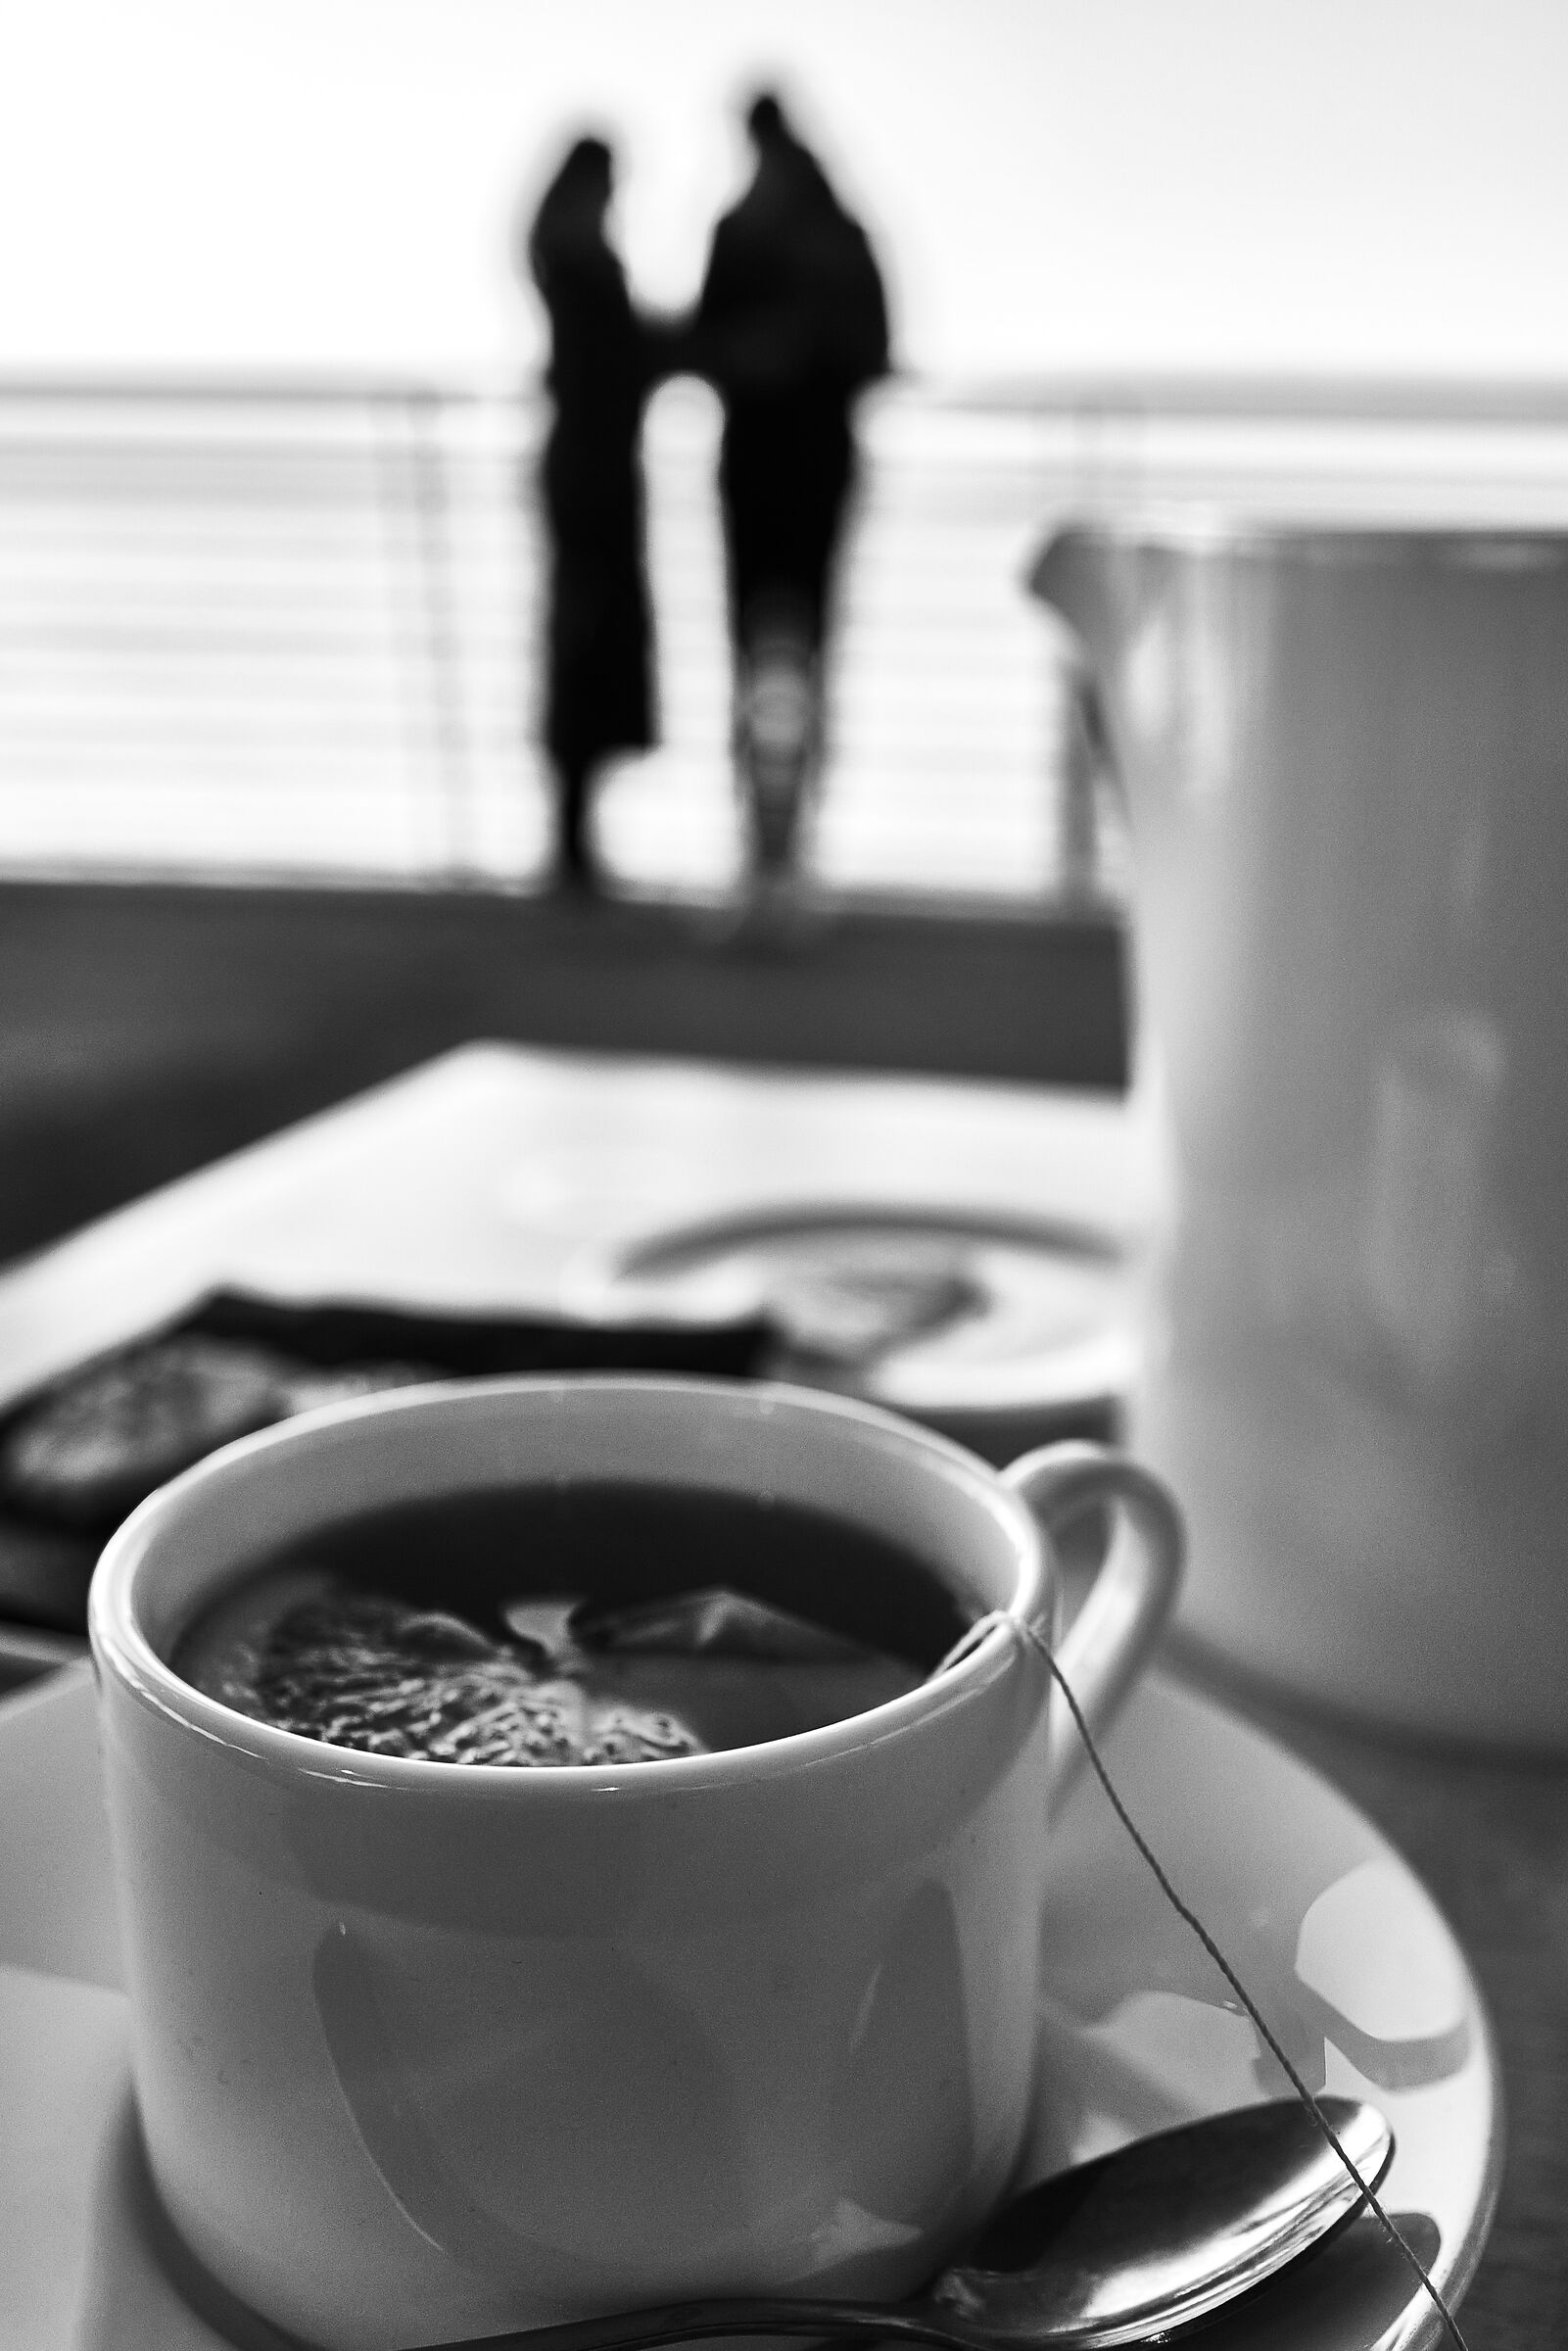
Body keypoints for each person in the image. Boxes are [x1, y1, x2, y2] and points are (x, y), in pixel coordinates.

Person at [691, 92, 891, 918]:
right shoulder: (806, 232)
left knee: (778, 657)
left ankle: (780, 851)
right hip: (775, 473)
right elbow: (708, 344)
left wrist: (785, 354)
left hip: (792, 475)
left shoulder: (792, 235)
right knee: (775, 659)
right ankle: (770, 849)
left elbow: (871, 348)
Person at [524, 135, 660, 896]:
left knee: (586, 646)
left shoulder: (563, 260)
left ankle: (575, 836)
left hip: (590, 474)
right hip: (592, 480)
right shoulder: (578, 266)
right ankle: (573, 839)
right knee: (586, 646)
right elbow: (620, 361)